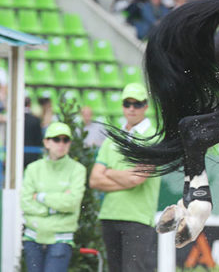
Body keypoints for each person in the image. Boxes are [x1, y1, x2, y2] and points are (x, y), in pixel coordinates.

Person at [89, 83, 161, 272]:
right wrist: (126, 179)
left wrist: (110, 172)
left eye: (137, 104)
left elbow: (136, 179)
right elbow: (94, 180)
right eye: (127, 103)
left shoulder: (152, 138)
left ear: (146, 106)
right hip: (110, 215)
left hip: (138, 218)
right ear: (122, 105)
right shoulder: (113, 137)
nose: (131, 108)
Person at [21, 122, 86, 272]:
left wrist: (41, 197)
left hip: (61, 239)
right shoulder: (33, 168)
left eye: (66, 140)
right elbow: (25, 202)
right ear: (46, 142)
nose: (61, 144)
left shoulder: (78, 170)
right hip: (33, 238)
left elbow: (72, 202)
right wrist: (56, 206)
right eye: (56, 139)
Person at [23, 96, 43, 169]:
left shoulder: (14, 119)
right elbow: (39, 138)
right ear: (29, 104)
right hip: (32, 154)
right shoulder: (35, 120)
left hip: (16, 154)